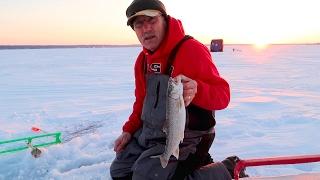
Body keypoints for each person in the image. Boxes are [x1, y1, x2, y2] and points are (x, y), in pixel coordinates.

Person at [110, 0, 245, 179]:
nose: (146, 29)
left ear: (165, 20)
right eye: (139, 24)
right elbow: (141, 102)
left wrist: (198, 89)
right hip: (152, 134)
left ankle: (226, 169)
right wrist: (128, 130)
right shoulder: (142, 61)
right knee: (120, 172)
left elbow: (223, 95)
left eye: (151, 20)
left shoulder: (192, 50)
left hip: (189, 138)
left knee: (149, 176)